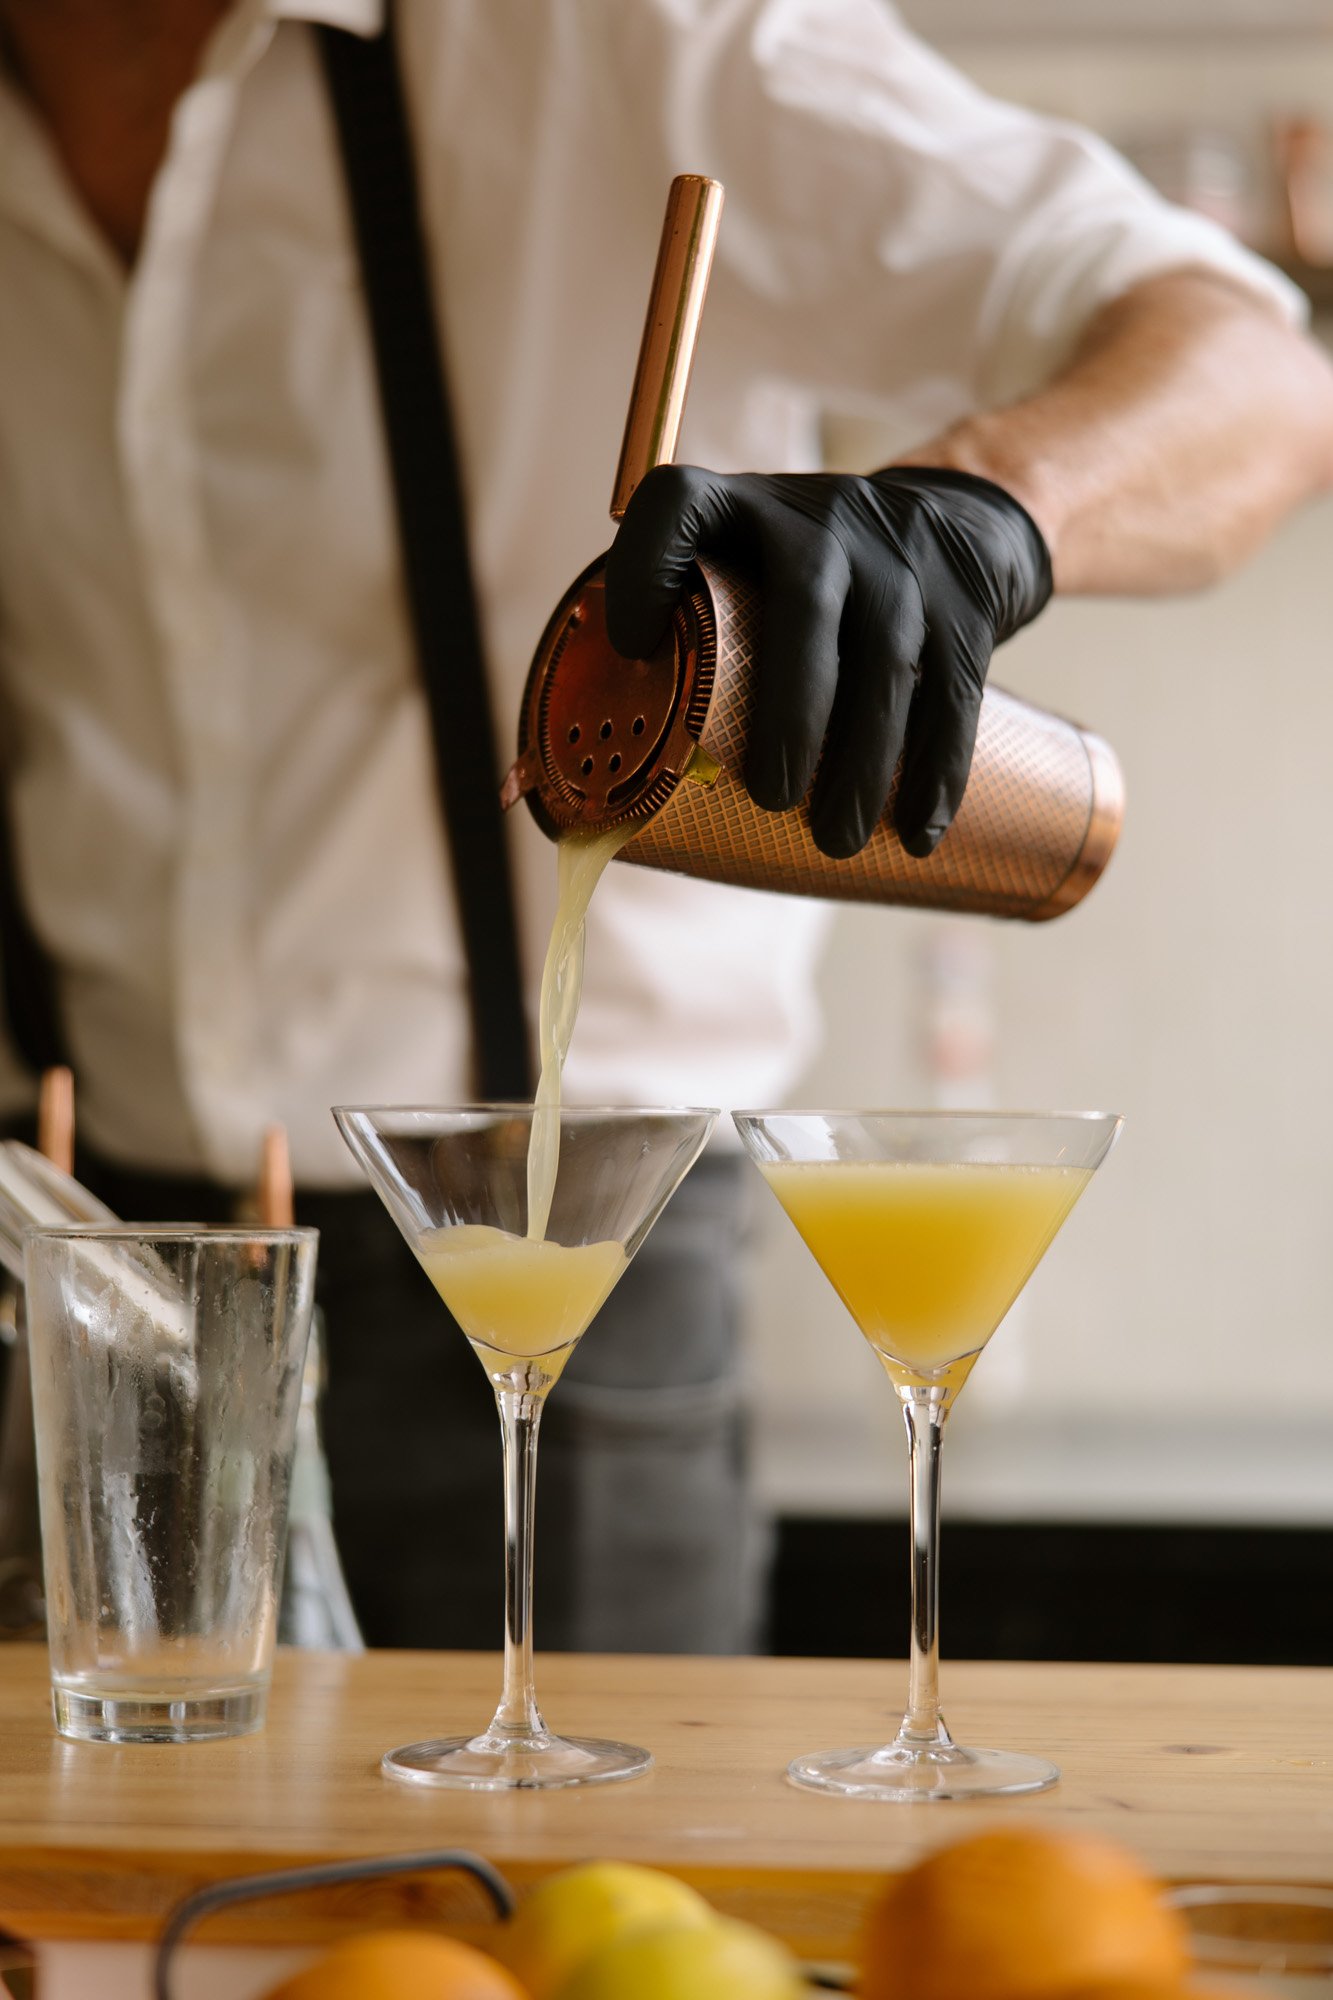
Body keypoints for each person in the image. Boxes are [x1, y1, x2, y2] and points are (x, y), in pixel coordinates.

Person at [0, 0, 1329, 1653]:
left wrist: (981, 508)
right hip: (87, 1274)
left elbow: (1260, 376)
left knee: (595, 1900)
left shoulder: (620, 36)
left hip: (574, 1266)